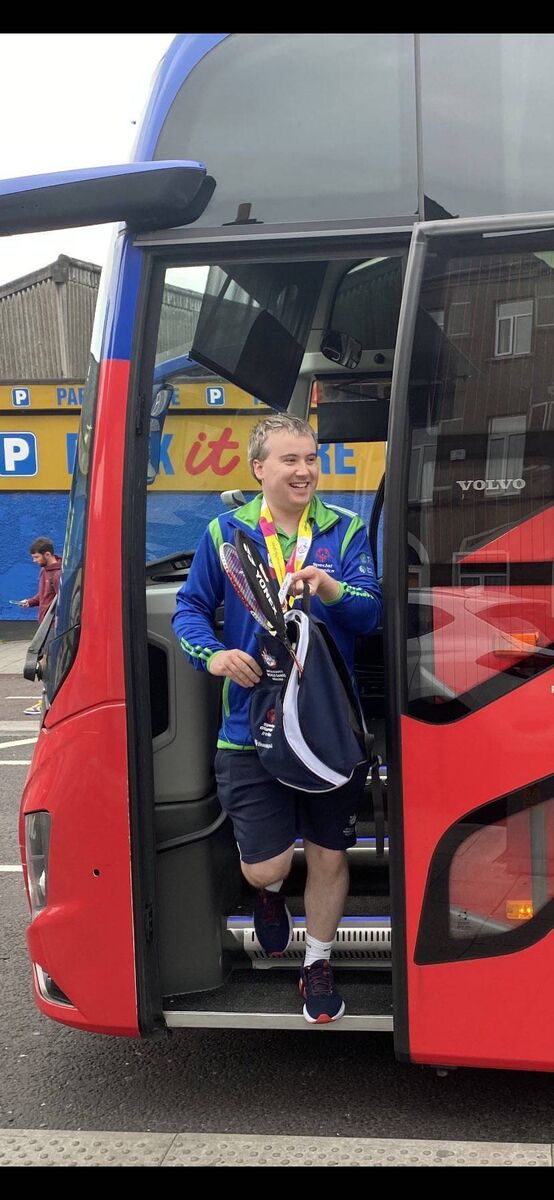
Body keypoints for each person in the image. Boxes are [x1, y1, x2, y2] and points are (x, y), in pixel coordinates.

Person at [173, 415, 382, 1023]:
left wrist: (332, 591)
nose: (305, 470)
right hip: (248, 726)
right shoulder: (226, 533)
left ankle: (315, 962)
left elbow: (371, 614)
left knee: (329, 857)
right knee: (268, 864)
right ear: (259, 468)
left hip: (327, 729)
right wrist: (212, 655)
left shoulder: (342, 533)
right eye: (290, 460)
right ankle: (267, 895)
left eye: (311, 458)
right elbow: (190, 609)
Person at [19, 537, 62, 715]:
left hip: (53, 626)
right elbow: (45, 595)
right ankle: (47, 698)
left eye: (36, 557)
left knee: (47, 664)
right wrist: (30, 602)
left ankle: (48, 700)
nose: (34, 561)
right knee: (43, 663)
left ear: (47, 554)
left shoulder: (59, 573)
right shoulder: (45, 571)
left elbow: (61, 600)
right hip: (44, 625)